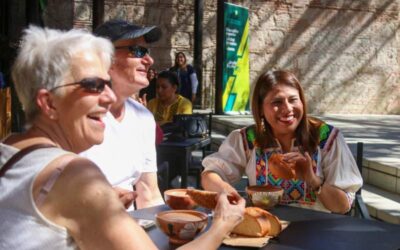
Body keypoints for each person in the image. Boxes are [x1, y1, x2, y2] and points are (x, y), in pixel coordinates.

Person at [0, 25, 245, 250]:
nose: (107, 98)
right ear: (49, 103)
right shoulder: (74, 174)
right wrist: (222, 224)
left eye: (107, 85)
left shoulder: (11, 149)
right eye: (94, 85)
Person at [201, 70, 363, 214]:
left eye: (293, 100)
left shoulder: (326, 138)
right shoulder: (248, 139)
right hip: (263, 229)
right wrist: (229, 192)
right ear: (260, 109)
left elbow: (342, 206)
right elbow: (209, 175)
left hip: (316, 233)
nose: (287, 109)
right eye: (276, 102)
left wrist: (313, 180)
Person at [81, 20, 165, 209]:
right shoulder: (77, 116)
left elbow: (149, 193)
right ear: (106, 59)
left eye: (147, 51)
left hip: (131, 229)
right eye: (137, 51)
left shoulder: (143, 117)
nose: (149, 60)